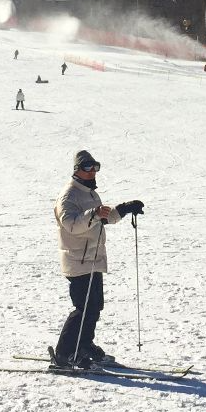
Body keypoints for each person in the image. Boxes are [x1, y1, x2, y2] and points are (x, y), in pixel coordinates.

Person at [51, 150, 144, 369]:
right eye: (87, 167)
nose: (92, 171)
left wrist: (124, 208)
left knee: (94, 307)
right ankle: (63, 354)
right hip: (78, 260)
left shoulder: (89, 193)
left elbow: (102, 217)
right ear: (77, 169)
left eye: (95, 167)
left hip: (92, 258)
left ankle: (83, 345)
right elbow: (72, 225)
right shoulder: (69, 196)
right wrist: (93, 214)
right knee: (83, 309)